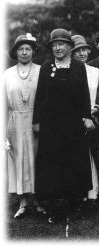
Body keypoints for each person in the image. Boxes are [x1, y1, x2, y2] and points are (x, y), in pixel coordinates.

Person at [33, 28, 93, 224]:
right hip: (52, 127)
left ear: (69, 47)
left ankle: (74, 205)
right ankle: (55, 209)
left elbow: (84, 94)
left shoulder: (78, 67)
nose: (58, 48)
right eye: (55, 45)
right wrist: (36, 121)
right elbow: (40, 97)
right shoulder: (45, 67)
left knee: (74, 164)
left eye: (61, 44)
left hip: (73, 127)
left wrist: (87, 116)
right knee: (53, 166)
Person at [3, 34, 46, 219]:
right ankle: (23, 202)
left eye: (28, 49)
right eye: (21, 49)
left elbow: (46, 100)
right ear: (16, 52)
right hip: (15, 120)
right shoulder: (7, 74)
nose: (24, 52)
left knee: (36, 159)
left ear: (33, 51)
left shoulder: (41, 71)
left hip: (35, 121)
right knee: (18, 160)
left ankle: (37, 200)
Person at [71, 35, 99, 205]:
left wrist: (97, 108)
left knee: (94, 153)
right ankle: (79, 191)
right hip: (74, 119)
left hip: (93, 118)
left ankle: (93, 191)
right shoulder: (69, 71)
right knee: (77, 154)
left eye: (84, 49)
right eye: (77, 50)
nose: (82, 53)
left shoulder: (95, 72)